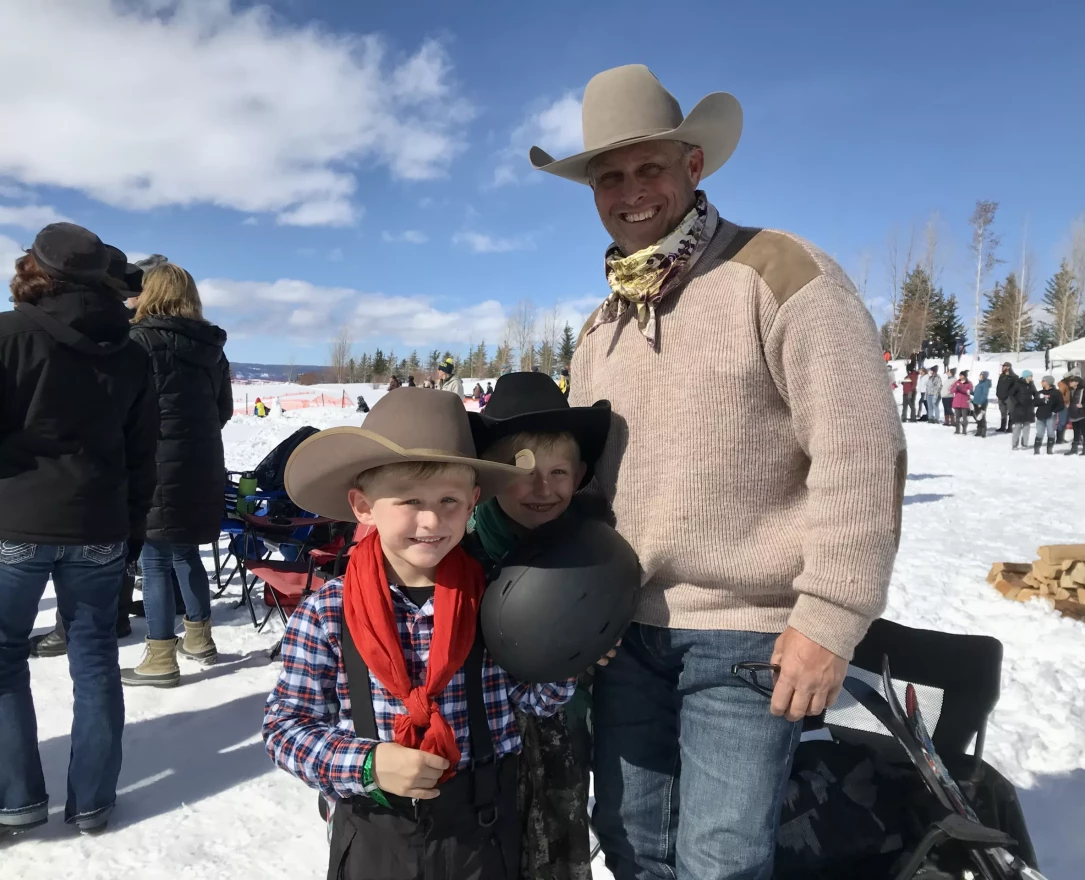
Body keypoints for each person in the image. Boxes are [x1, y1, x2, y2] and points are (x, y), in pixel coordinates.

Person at [532, 64, 906, 880]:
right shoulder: (599, 329)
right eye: (609, 176)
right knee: (629, 845)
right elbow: (591, 490)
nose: (630, 192)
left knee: (720, 863)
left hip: (748, 637)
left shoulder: (779, 276)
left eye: (649, 168)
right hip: (628, 637)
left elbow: (861, 455)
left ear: (692, 165)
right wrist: (582, 612)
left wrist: (829, 619)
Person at [263, 389, 574, 880]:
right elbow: (286, 728)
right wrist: (367, 763)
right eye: (410, 501)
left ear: (472, 501)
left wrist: (567, 653)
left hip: (484, 830)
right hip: (374, 831)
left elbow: (532, 701)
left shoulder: (493, 600)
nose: (431, 521)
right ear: (364, 507)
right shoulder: (326, 613)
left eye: (449, 501)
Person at [0, 223, 158, 835]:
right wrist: (133, 535)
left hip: (15, 522)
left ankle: (18, 799)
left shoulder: (8, 336)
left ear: (33, 271)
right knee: (94, 662)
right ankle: (92, 800)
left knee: (7, 658)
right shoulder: (132, 351)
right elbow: (142, 454)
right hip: (99, 524)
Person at [467, 372, 612, 880]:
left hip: (562, 746)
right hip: (480, 754)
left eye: (558, 472)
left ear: (579, 475)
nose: (542, 489)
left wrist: (595, 644)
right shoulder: (461, 554)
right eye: (521, 469)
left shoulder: (592, 552)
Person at [120, 264, 232, 688]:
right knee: (185, 553)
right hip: (201, 463)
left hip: (154, 462)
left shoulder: (139, 340)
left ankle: (161, 654)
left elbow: (126, 409)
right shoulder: (212, 347)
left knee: (153, 559)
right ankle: (200, 636)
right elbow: (222, 410)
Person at [1033, 376, 1064, 455]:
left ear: (1048, 382)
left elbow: (1061, 405)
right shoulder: (1040, 392)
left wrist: (1054, 411)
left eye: (1043, 381)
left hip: (1050, 416)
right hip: (1040, 415)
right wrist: (1041, 401)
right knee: (1039, 433)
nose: (1041, 382)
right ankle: (1036, 450)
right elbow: (1034, 403)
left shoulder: (1056, 393)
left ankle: (1049, 450)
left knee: (1051, 433)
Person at [1009, 370, 1037, 451]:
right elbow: (1012, 395)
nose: (1031, 377)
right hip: (1019, 408)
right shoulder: (1018, 384)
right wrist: (1017, 402)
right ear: (1026, 376)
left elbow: (1036, 394)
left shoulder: (1032, 385)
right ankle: (1014, 444)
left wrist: (1034, 402)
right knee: (1017, 426)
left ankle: (1025, 443)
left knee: (1027, 426)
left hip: (1028, 408)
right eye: (1030, 376)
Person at [1065, 374, 1085, 456]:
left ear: (1077, 382)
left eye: (1072, 381)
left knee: (1084, 432)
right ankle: (1074, 449)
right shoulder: (1071, 390)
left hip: (1082, 414)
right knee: (1076, 432)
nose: (1070, 382)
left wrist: (1083, 405)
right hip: (1073, 414)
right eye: (1070, 381)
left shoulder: (1084, 390)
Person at [995, 362, 1017, 433]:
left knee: (1011, 412)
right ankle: (1002, 427)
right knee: (1003, 412)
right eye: (1003, 366)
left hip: (1009, 398)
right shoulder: (1001, 376)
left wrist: (1010, 394)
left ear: (1008, 367)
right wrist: (997, 394)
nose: (1003, 368)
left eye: (1005, 366)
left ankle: (1010, 427)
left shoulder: (1014, 377)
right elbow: (998, 386)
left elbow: (1016, 388)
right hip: (1000, 397)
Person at [951, 370, 974, 435]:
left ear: (965, 376)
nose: (960, 376)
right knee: (957, 417)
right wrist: (956, 388)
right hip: (957, 402)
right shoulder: (957, 382)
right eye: (959, 375)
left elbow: (970, 391)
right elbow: (952, 390)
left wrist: (961, 389)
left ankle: (964, 430)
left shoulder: (969, 383)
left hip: (965, 402)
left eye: (961, 375)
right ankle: (957, 430)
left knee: (964, 417)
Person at [971, 371, 992, 438]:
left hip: (982, 403)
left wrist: (981, 402)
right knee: (977, 417)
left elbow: (984, 394)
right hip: (976, 402)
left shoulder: (985, 384)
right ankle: (979, 431)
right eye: (980, 375)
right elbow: (976, 393)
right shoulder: (979, 384)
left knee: (982, 417)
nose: (981, 376)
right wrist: (971, 392)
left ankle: (983, 431)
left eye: (982, 375)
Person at [1055, 375, 1072, 443]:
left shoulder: (1066, 385)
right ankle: (1059, 439)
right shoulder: (1063, 385)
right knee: (1062, 422)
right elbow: (1059, 396)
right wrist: (1066, 401)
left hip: (1066, 405)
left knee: (1065, 422)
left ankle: (1061, 437)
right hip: (1064, 405)